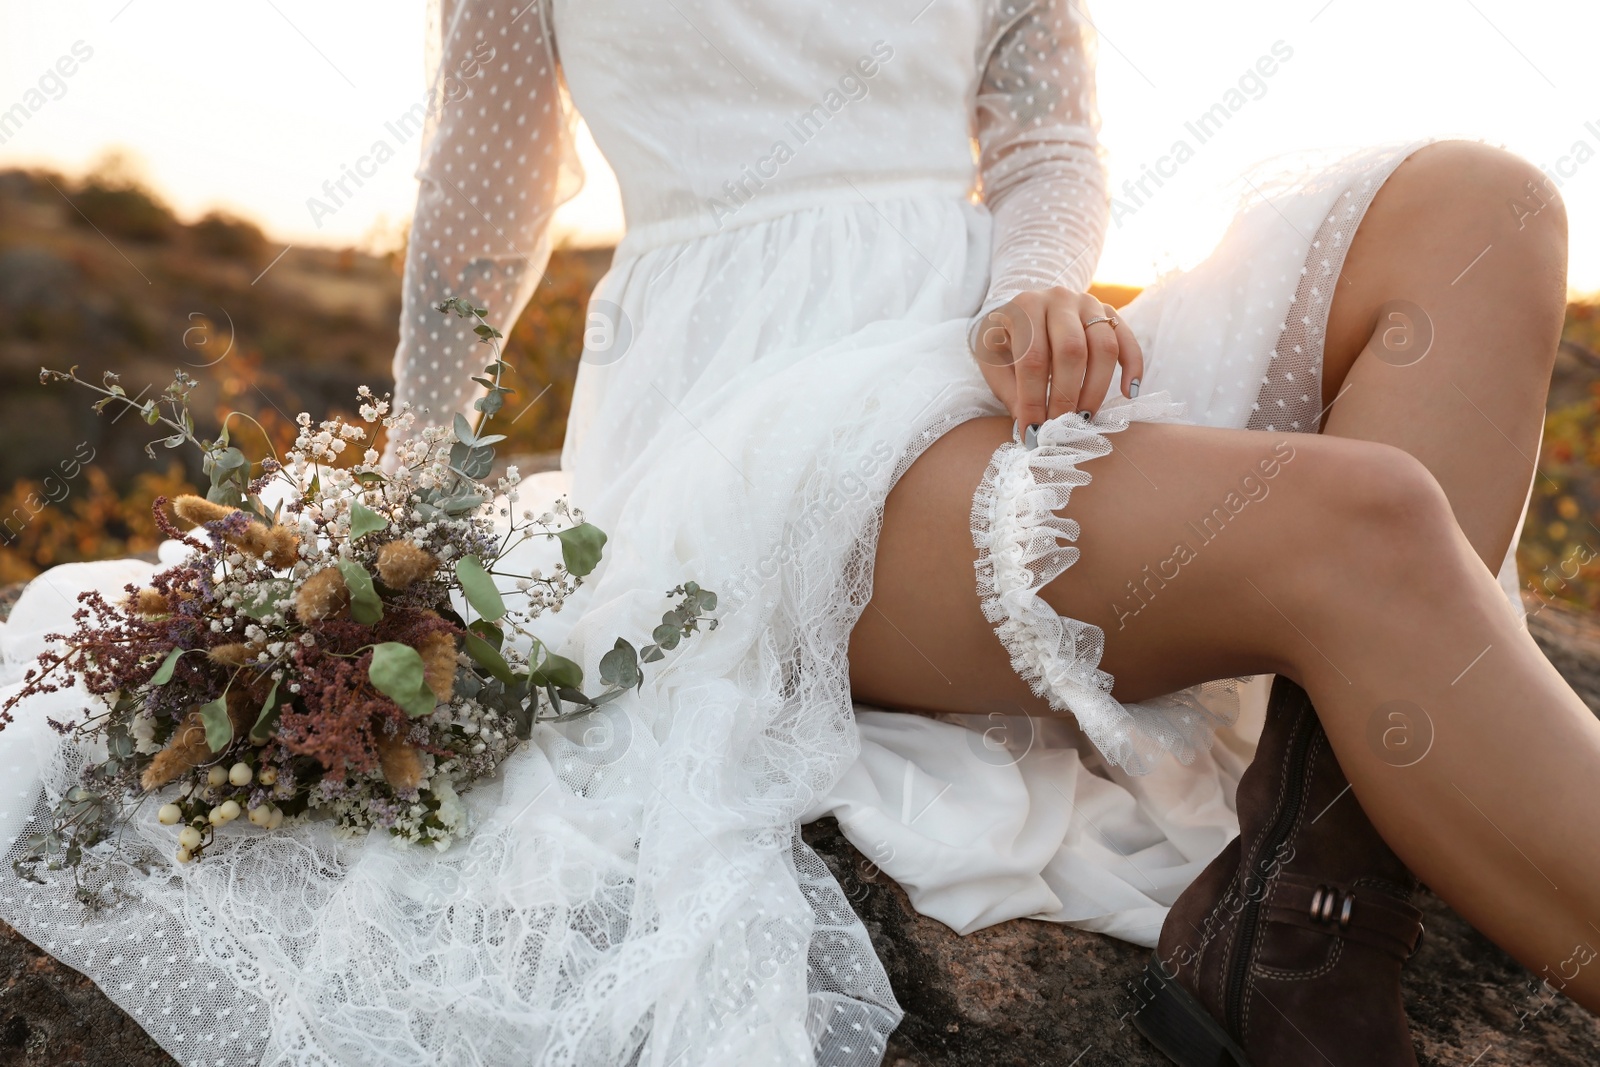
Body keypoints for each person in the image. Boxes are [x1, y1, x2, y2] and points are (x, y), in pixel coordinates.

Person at [0, 1, 1588, 1064]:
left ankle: (1302, 903)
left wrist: (1041, 282)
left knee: (1486, 204)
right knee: (1364, 519)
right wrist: (396, 500)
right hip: (754, 416)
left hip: (985, 333)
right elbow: (484, 196)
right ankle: (1326, 896)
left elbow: (1042, 135)